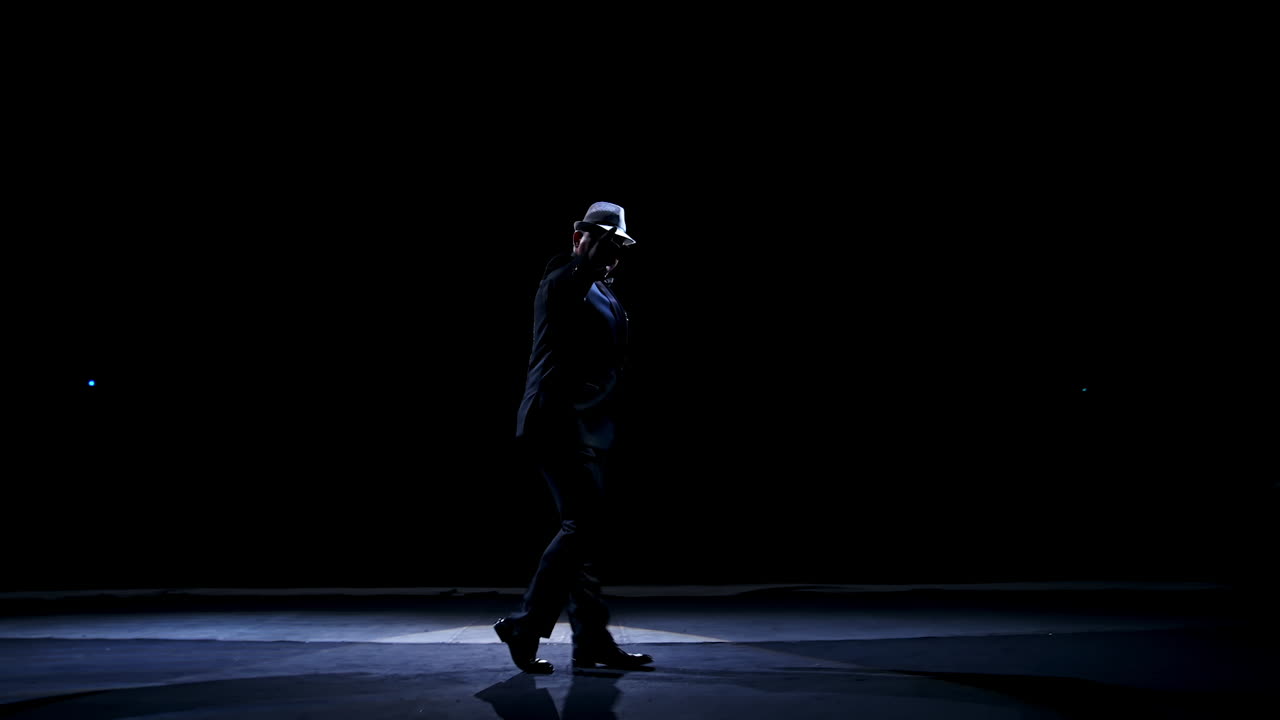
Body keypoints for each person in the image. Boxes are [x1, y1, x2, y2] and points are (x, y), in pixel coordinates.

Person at [493, 201, 654, 674]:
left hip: (586, 424)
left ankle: (590, 642)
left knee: (583, 534)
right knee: (582, 527)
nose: (610, 251)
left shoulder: (601, 289)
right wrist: (594, 248)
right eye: (601, 240)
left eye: (617, 244)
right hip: (555, 421)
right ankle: (525, 624)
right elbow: (576, 280)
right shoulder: (562, 278)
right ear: (578, 238)